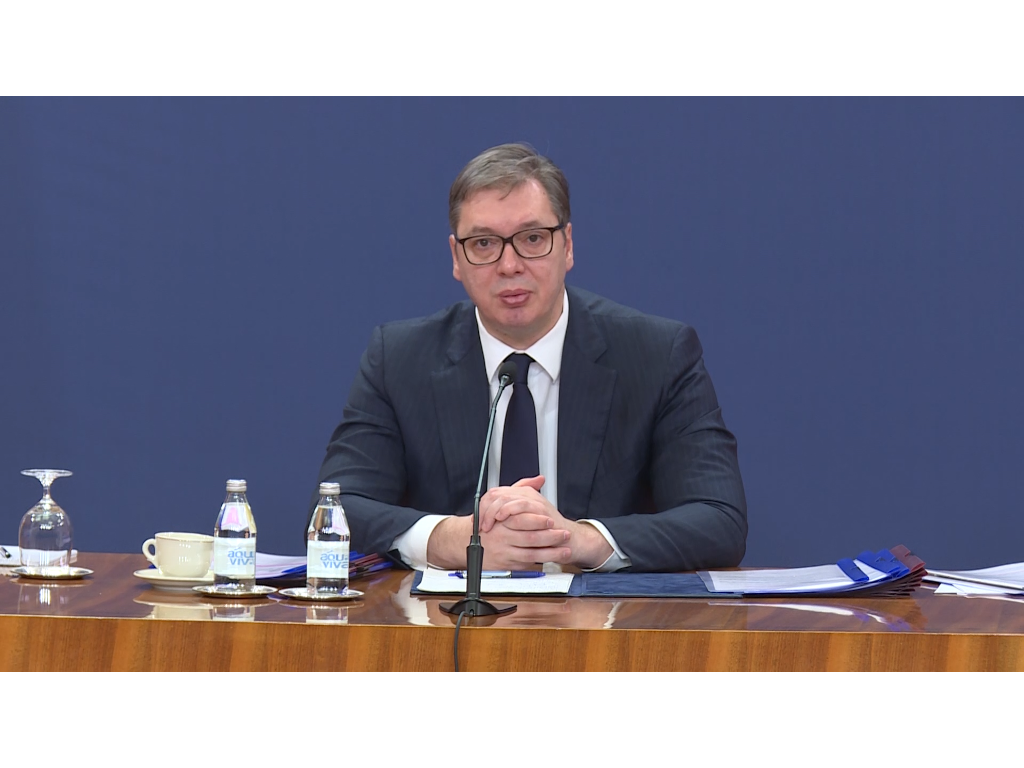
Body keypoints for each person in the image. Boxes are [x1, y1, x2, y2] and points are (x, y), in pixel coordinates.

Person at [310, 143, 747, 573]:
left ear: (567, 245)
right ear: (457, 258)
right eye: (484, 243)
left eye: (532, 238)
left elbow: (719, 519)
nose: (509, 265)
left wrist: (577, 539)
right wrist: (454, 539)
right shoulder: (400, 359)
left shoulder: (657, 355)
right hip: (449, 615)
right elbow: (335, 510)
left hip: (603, 617)